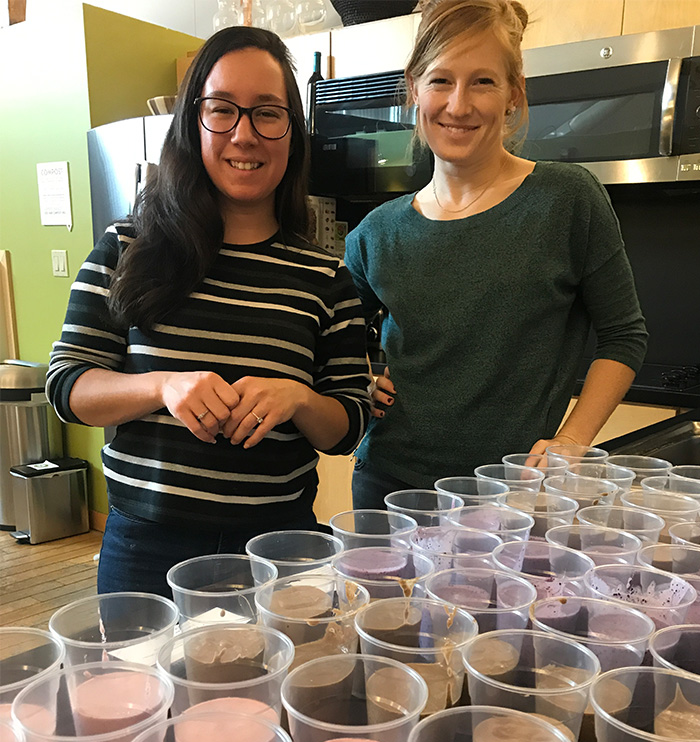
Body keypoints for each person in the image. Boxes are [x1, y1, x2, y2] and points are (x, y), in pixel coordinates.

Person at [47, 26, 370, 598]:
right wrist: (162, 386)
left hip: (279, 551)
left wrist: (298, 397)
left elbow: (348, 425)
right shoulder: (128, 248)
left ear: (292, 132)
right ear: (194, 122)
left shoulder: (327, 278)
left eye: (268, 114)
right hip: (144, 551)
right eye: (222, 109)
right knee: (142, 688)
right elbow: (68, 387)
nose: (245, 135)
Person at [345, 0, 648, 509]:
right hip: (388, 491)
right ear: (414, 89)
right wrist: (359, 378)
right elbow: (327, 337)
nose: (459, 105)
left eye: (482, 81)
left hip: (513, 495)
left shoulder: (567, 200)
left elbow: (624, 335)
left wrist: (572, 441)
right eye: (441, 80)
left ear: (514, 94)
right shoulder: (378, 231)